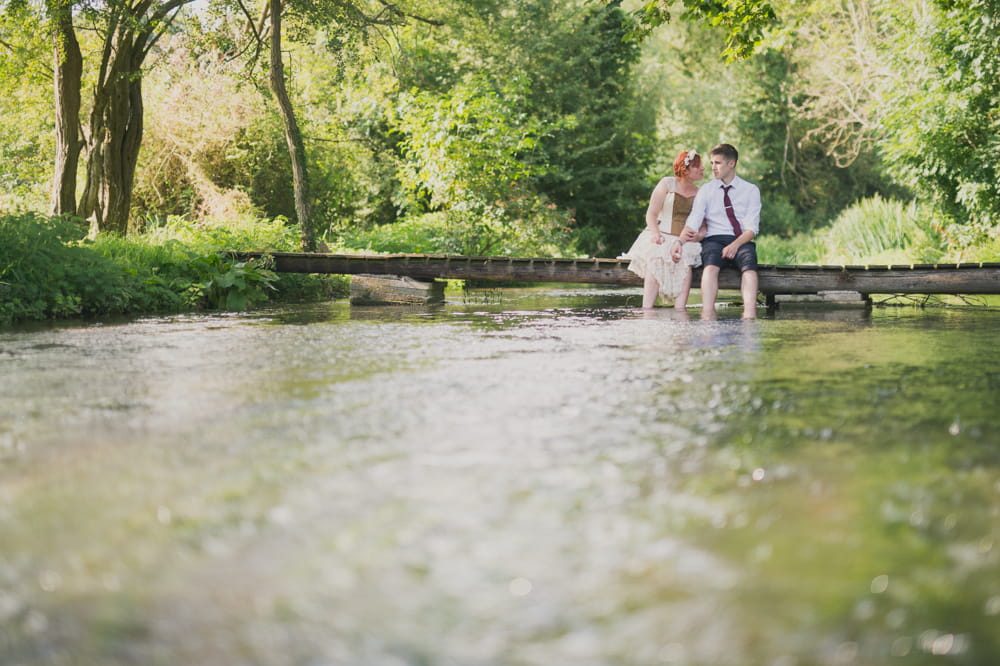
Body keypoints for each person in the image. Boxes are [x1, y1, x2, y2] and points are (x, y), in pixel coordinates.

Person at [678, 144, 760, 319]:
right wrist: (679, 242)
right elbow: (694, 220)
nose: (712, 167)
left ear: (731, 164)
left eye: (718, 163)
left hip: (741, 239)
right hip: (713, 239)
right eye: (712, 163)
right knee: (710, 267)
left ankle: (749, 314)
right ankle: (707, 314)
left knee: (750, 268)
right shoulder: (706, 190)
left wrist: (735, 245)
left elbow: (752, 228)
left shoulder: (751, 190)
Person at [620, 150, 707, 309]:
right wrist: (656, 234)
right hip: (659, 234)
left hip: (684, 240)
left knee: (686, 256)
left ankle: (680, 310)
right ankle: (647, 309)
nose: (703, 168)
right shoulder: (667, 183)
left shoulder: (701, 192)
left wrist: (699, 237)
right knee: (657, 252)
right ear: (685, 170)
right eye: (698, 166)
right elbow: (651, 214)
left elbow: (704, 227)